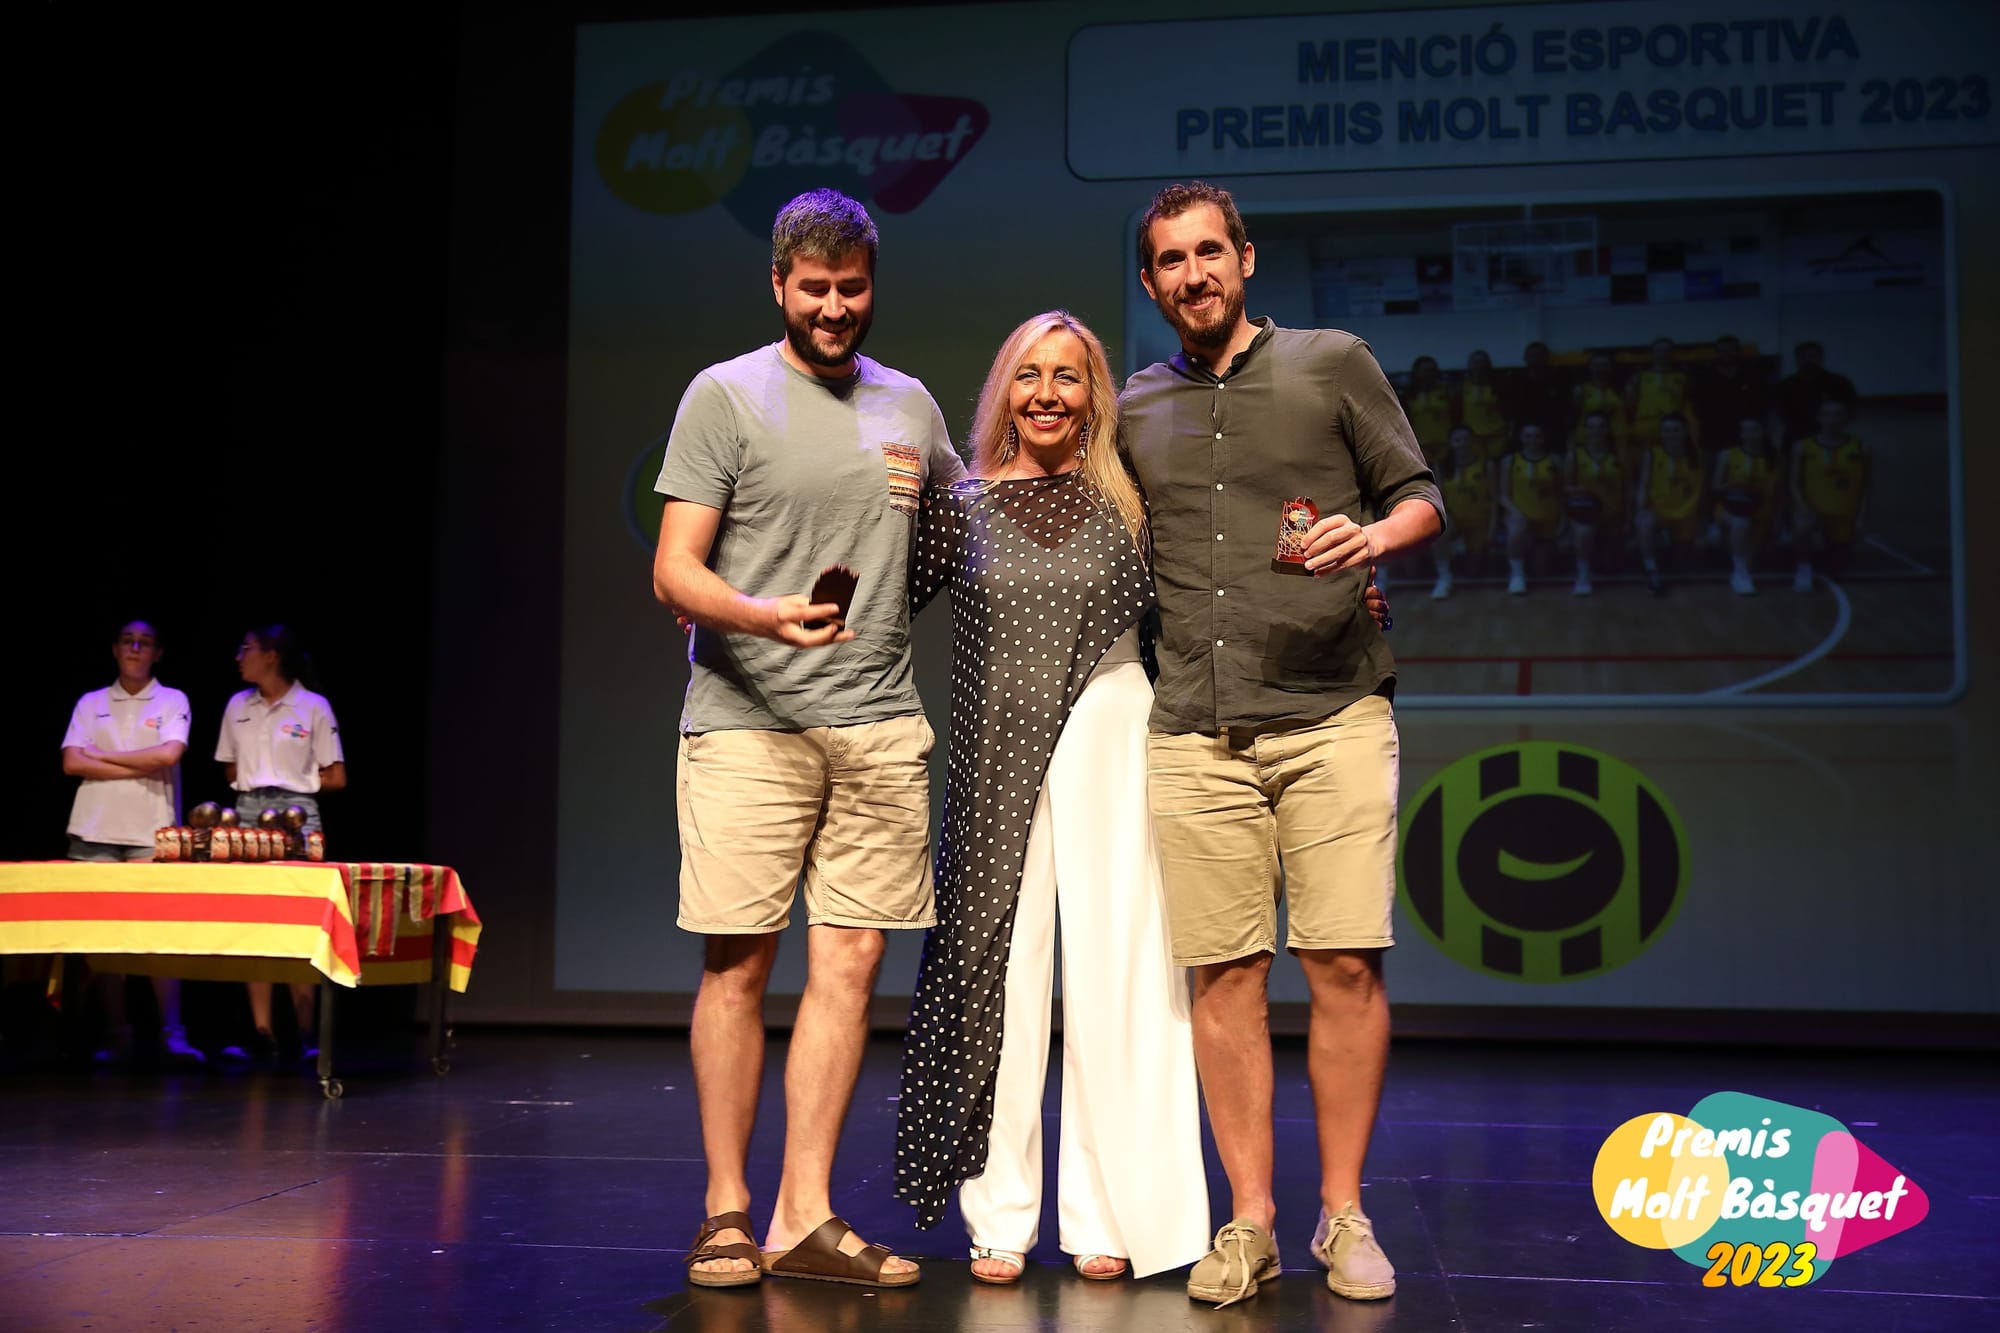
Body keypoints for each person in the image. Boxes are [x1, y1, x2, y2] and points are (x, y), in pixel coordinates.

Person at [1118, 181, 1442, 1307]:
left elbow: (1419, 496)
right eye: (1170, 260)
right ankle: (1247, 1219)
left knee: (1344, 961)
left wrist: (1377, 535)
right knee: (1224, 977)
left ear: (1244, 260)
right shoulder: (1134, 409)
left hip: (1332, 714)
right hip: (1194, 727)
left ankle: (1340, 1211)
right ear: (1151, 280)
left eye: (1210, 252)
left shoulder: (1330, 360)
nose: (1192, 274)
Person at [650, 188, 963, 1290]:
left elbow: (962, 540)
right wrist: (761, 612)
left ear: (871, 284)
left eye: (852, 287)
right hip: (748, 722)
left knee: (851, 960)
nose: (834, 307)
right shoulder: (724, 396)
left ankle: (803, 1213)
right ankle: (726, 1207)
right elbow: (673, 569)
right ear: (779, 284)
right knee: (737, 960)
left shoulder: (912, 408)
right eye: (814, 288)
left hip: (876, 724)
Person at [893, 311, 1209, 1286]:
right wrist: (880, 512)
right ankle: (1001, 1213)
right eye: (1027, 375)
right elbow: (878, 603)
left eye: (1066, 376)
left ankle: (1107, 1210)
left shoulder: (1131, 503)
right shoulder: (961, 503)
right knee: (998, 974)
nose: (1045, 393)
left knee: (1119, 979)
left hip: (1111, 735)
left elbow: (1205, 608)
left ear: (1092, 395)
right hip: (993, 756)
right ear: (1003, 391)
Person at [59, 619, 201, 1067]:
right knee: (105, 940)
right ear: (115, 649)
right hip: (95, 830)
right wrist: (136, 765)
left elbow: (168, 755)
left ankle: (171, 1034)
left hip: (151, 832)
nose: (135, 648)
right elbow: (69, 763)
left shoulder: (172, 699)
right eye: (127, 641)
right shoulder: (91, 703)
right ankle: (117, 1033)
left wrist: (97, 755)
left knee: (160, 935)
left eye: (144, 643)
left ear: (157, 653)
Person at [218, 623, 345, 1062]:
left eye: (246, 649)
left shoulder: (312, 706)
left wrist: (293, 786)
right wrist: (258, 791)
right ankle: (262, 1031)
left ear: (271, 656)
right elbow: (231, 771)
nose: (239, 656)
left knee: (301, 920)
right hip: (249, 809)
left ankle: (306, 1034)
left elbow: (336, 776)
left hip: (297, 814)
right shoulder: (237, 706)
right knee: (253, 921)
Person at [1790, 398, 1870, 591]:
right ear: (1818, 418)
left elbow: (1867, 486)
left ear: (1847, 418)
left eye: (1838, 414)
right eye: (1826, 414)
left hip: (1844, 512)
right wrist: (1803, 507)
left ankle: (1830, 551)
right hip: (1814, 510)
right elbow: (1793, 483)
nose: (1832, 419)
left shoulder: (1861, 447)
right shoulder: (1803, 447)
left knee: (1838, 566)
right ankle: (1803, 570)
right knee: (1802, 527)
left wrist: (1862, 516)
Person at [1711, 416, 1784, 596]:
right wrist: (1735, 485)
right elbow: (1715, 488)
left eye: (1755, 429)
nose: (1750, 434)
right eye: (1746, 430)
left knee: (1753, 562)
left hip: (1761, 511)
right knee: (1741, 524)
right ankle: (1739, 572)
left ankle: (1740, 567)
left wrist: (1778, 520)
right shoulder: (1728, 455)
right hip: (1730, 508)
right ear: (1740, 434)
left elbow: (1780, 494)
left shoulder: (1775, 458)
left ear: (1764, 432)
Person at [1633, 415, 1703, 596]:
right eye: (1667, 430)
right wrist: (1640, 510)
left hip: (1686, 513)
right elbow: (1643, 484)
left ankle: (1665, 542)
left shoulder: (1697, 455)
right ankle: (1651, 569)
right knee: (1644, 521)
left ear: (1685, 431)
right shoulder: (1653, 454)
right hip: (1659, 511)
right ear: (1661, 433)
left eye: (1676, 430)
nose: (1672, 434)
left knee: (1681, 565)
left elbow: (1701, 491)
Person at [1564, 410, 1628, 597]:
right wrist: (1585, 491)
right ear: (1585, 430)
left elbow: (1629, 488)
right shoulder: (1574, 456)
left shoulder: (1619, 456)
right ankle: (1582, 575)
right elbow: (1565, 488)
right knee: (1584, 531)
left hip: (1613, 514)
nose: (1596, 430)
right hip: (1586, 513)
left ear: (1608, 429)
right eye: (1591, 426)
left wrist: (1628, 518)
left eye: (1601, 426)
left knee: (1609, 567)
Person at [1497, 422, 1563, 596]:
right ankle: (1517, 575)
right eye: (1528, 436)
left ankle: (1533, 549)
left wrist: (1563, 521)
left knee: (1541, 570)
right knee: (1517, 528)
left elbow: (1561, 493)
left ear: (1543, 438)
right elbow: (1503, 495)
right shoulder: (1510, 461)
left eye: (1537, 436)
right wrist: (1516, 512)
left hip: (1547, 519)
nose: (1532, 439)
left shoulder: (1555, 460)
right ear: (1521, 438)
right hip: (1520, 517)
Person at [1432, 424, 1494, 600]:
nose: (1463, 444)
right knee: (1438, 532)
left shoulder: (1485, 465)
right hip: (1454, 518)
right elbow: (1439, 499)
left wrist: (1492, 528)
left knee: (1472, 572)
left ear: (1473, 442)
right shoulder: (1442, 467)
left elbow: (1494, 499)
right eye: (1458, 440)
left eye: (1466, 440)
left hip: (1479, 520)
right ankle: (1444, 577)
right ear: (1451, 443)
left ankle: (1461, 548)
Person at [1693, 334, 1771, 449]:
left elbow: (1762, 404)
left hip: (1746, 436)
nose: (1727, 354)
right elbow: (1697, 406)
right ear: (1716, 352)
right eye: (1722, 351)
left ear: (1738, 351)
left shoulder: (1752, 375)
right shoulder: (1705, 376)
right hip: (1713, 435)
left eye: (1731, 350)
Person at [1776, 340, 1858, 447]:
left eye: (1813, 356)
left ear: (1821, 358)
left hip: (1831, 437)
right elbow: (1781, 413)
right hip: (1795, 436)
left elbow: (1850, 410)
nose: (1809, 361)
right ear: (1796, 359)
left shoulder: (1839, 383)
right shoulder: (1784, 385)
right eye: (1803, 357)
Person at [1627, 335, 1698, 457]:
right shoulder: (1639, 377)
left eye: (1667, 350)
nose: (1663, 354)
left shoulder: (1683, 378)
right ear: (1652, 353)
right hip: (1646, 429)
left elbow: (1688, 405)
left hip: (1673, 431)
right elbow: (1630, 405)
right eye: (1659, 350)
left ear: (1672, 353)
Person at [1571, 350, 1631, 465]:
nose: (1601, 369)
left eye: (1604, 365)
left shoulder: (1623, 390)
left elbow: (1630, 412)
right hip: (1588, 440)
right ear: (1590, 368)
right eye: (1596, 365)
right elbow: (1575, 416)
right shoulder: (1581, 390)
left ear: (1611, 367)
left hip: (1618, 441)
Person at [1507, 340, 1569, 446]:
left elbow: (1566, 408)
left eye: (1539, 355)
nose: (1535, 359)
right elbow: (1510, 409)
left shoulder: (1558, 379)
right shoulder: (1515, 380)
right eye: (1531, 355)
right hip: (1524, 431)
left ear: (1546, 357)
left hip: (1552, 430)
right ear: (1525, 358)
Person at [1399, 354, 1455, 467]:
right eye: (1425, 371)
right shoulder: (1409, 395)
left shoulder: (1446, 391)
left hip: (1445, 444)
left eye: (1431, 370)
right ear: (1417, 372)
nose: (1428, 374)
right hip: (1419, 446)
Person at [1458, 348, 1507, 463]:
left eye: (1482, 362)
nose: (1479, 366)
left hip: (1497, 435)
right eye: (1475, 362)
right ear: (1469, 365)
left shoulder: (1498, 386)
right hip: (1473, 436)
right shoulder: (1461, 387)